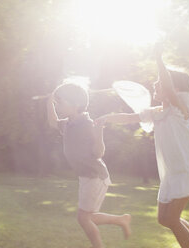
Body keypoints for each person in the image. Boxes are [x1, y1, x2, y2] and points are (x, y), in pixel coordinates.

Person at [95, 45, 189, 248]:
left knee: (173, 220)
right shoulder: (157, 112)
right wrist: (106, 118)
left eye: (160, 82)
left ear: (173, 88)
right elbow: (129, 117)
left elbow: (166, 85)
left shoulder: (180, 109)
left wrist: (159, 59)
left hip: (186, 170)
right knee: (164, 220)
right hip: (171, 173)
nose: (156, 84)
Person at [47, 78, 131, 248]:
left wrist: (99, 132)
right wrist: (49, 101)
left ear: (75, 104)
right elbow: (52, 123)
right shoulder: (68, 123)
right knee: (88, 216)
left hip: (95, 176)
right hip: (86, 176)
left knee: (84, 218)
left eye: (60, 102)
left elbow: (98, 153)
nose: (58, 106)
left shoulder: (87, 124)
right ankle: (121, 220)